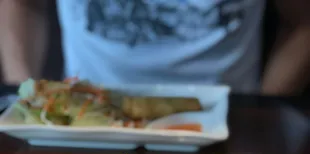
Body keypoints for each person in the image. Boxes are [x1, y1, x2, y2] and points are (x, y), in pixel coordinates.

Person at [0, 0, 310, 96]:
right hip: (84, 116)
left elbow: (302, 19)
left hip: (228, 121)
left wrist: (264, 111)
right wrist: (21, 90)